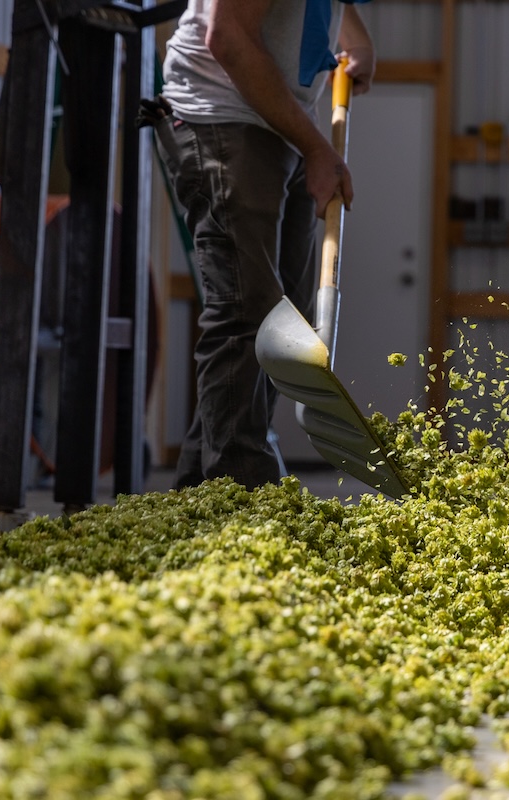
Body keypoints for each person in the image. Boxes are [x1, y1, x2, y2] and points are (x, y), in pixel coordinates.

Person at [148, 0, 375, 490]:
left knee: (283, 314)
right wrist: (317, 149)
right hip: (222, 113)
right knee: (247, 309)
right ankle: (241, 496)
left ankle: (198, 485)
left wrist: (356, 41)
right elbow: (227, 37)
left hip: (282, 120)